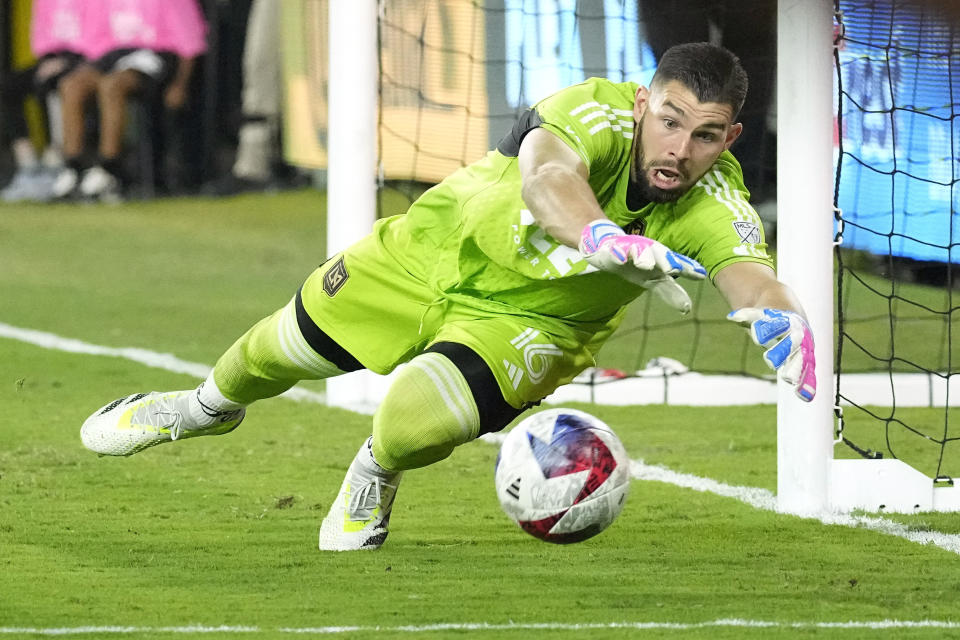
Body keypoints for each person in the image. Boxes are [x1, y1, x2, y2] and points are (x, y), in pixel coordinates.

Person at [79, 43, 817, 551]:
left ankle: (374, 474)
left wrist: (780, 317)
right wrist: (599, 235)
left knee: (412, 424)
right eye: (670, 121)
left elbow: (749, 271)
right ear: (640, 104)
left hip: (532, 323)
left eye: (707, 136)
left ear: (733, 138)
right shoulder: (589, 112)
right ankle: (198, 410)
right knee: (276, 351)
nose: (680, 149)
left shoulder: (716, 199)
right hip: (431, 254)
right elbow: (546, 180)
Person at [50, 0, 207, 201]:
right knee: (71, 85)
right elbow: (92, 39)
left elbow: (190, 41)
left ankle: (109, 168)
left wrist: (180, 84)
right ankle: (73, 167)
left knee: (112, 86)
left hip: (154, 53)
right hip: (112, 54)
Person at [0, 0, 90, 202]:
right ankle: (28, 165)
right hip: (50, 61)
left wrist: (67, 62)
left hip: (83, 62)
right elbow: (41, 38)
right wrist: (49, 60)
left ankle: (54, 161)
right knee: (8, 86)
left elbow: (97, 38)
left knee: (49, 86)